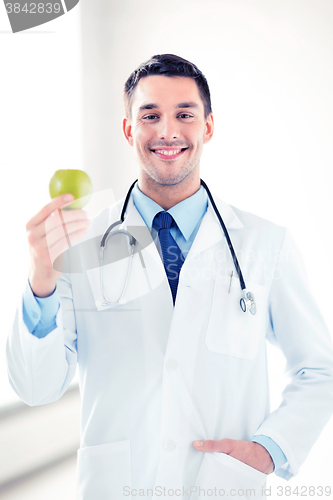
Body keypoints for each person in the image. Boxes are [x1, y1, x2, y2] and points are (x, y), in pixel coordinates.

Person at [6, 54, 333, 500]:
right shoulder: (79, 247)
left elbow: (319, 368)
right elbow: (37, 387)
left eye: (184, 114)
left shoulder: (263, 244)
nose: (167, 131)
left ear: (208, 127)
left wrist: (271, 450)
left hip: (223, 488)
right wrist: (41, 277)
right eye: (150, 116)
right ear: (128, 130)